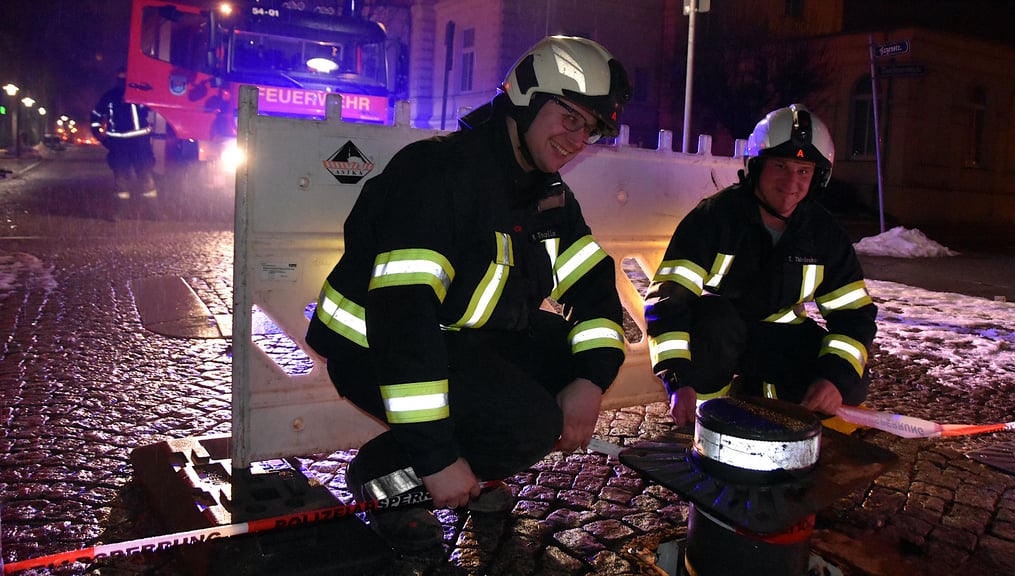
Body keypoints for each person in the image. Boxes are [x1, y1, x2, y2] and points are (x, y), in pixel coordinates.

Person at [305, 36, 631, 551]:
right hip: (373, 350)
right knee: (529, 426)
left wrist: (590, 380)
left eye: (589, 129)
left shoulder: (546, 195)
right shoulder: (437, 174)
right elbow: (402, 321)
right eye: (570, 116)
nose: (577, 138)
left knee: (569, 354)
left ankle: (462, 457)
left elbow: (594, 287)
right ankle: (390, 480)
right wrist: (435, 457)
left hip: (455, 339)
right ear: (526, 97)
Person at [645, 104, 878, 426]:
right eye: (780, 165)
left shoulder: (824, 235)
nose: (791, 181)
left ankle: (776, 407)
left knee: (854, 378)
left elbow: (854, 314)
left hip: (782, 339)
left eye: (803, 170)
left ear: (818, 177)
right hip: (723, 337)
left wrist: (835, 378)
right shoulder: (715, 218)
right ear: (757, 167)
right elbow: (669, 300)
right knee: (715, 319)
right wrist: (678, 379)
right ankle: (707, 419)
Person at [90, 68, 158, 219]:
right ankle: (120, 212)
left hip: (137, 143)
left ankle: (152, 212)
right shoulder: (110, 97)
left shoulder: (139, 93)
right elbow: (96, 116)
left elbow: (155, 108)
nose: (123, 82)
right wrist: (99, 135)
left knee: (143, 176)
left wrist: (101, 136)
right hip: (121, 144)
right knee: (123, 179)